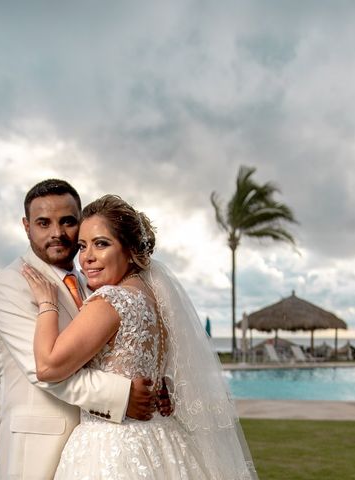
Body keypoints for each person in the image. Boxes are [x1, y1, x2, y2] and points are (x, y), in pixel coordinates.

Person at [23, 194, 258, 479]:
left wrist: (46, 303)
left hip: (111, 446)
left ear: (131, 250)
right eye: (83, 246)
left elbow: (48, 367)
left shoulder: (111, 300)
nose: (87, 257)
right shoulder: (156, 301)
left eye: (102, 244)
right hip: (161, 439)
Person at [0, 180, 162, 480]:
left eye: (67, 221)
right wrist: (124, 395)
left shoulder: (96, 278)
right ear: (26, 227)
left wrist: (154, 388)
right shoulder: (10, 283)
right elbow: (44, 370)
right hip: (40, 444)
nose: (57, 233)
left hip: (99, 446)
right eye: (44, 223)